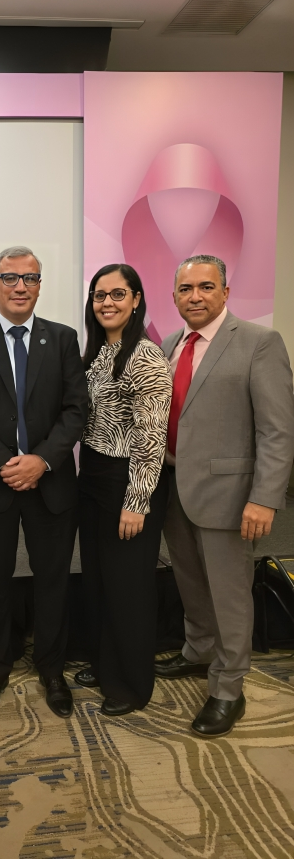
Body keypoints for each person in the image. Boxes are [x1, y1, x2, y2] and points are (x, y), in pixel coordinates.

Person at [0, 246, 89, 720]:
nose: (20, 287)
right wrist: (5, 463)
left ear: (40, 286)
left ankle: (52, 670)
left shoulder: (63, 338)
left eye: (30, 279)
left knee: (53, 581)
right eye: (10, 278)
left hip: (51, 484)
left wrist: (41, 461)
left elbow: (75, 410)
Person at [156, 254, 294, 737]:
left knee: (230, 594)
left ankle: (228, 688)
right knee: (191, 581)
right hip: (173, 488)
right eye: (186, 288)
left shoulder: (259, 342)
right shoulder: (170, 344)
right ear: (174, 296)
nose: (195, 296)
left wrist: (265, 498)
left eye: (206, 287)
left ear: (226, 292)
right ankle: (198, 653)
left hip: (233, 496)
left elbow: (278, 431)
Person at [74, 264, 172, 716]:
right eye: (99, 295)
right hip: (92, 477)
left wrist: (137, 503)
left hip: (127, 481)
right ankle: (103, 661)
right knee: (98, 580)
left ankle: (131, 685)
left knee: (128, 586)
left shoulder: (147, 357)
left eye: (117, 294)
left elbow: (152, 440)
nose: (107, 303)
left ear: (136, 299)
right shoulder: (97, 352)